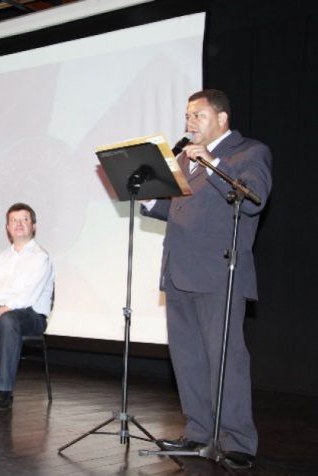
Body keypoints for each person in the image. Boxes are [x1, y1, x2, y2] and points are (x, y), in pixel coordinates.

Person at [141, 89, 272, 470]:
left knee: (225, 359)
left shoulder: (248, 153)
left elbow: (253, 199)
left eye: (197, 115)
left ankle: (237, 440)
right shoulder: (184, 158)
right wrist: (149, 200)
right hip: (179, 271)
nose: (188, 122)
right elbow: (182, 208)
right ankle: (198, 431)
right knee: (188, 359)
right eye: (186, 115)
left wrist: (212, 162)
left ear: (222, 119)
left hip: (219, 273)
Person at [0, 203, 54, 411]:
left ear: (33, 226)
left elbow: (27, 296)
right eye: (14, 221)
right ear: (7, 228)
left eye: (24, 220)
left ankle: (5, 391)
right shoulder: (1, 258)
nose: (19, 224)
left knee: (9, 320)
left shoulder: (41, 257)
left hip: (31, 316)